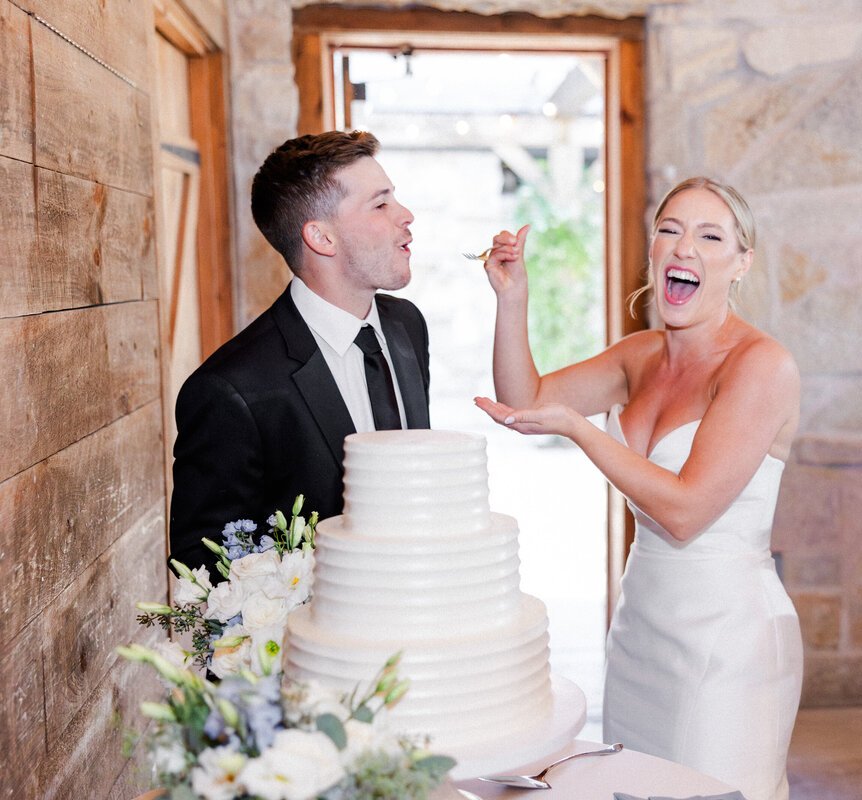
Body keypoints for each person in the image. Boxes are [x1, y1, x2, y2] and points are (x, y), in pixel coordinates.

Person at [475, 177, 803, 800]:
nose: (685, 248)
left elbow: (684, 511)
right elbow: (524, 402)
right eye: (670, 230)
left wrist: (579, 430)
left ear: (741, 263)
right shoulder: (640, 356)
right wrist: (512, 299)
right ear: (652, 251)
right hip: (640, 631)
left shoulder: (762, 364)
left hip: (728, 641)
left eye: (711, 236)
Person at [169, 130, 430, 576]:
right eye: (381, 204)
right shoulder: (231, 390)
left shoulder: (408, 326)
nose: (406, 215)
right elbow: (204, 568)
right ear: (321, 238)